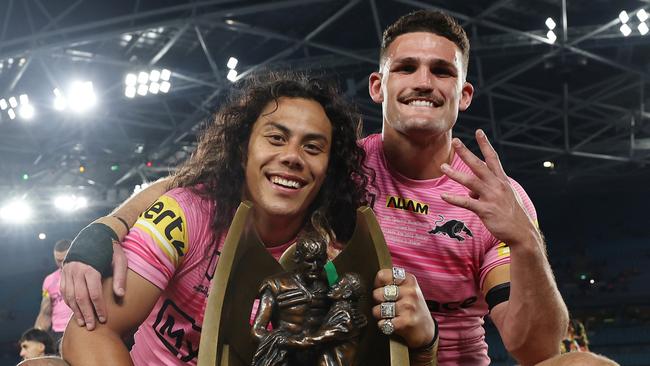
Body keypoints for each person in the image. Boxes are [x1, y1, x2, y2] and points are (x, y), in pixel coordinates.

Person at [61, 10, 619, 366]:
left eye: (441, 72)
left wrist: (525, 240)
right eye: (406, 67)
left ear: (464, 94)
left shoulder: (494, 199)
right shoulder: (338, 167)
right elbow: (200, 185)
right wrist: (107, 226)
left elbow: (535, 347)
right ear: (379, 85)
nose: (423, 81)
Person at [61, 72, 381, 365]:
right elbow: (88, 333)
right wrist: (111, 224)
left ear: (329, 168)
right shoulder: (186, 213)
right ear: (243, 149)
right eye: (276, 138)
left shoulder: (326, 262)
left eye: (312, 147)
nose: (292, 157)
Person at [251, 231, 331, 365]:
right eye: (310, 260)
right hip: (285, 357)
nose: (315, 266)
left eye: (320, 260)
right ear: (297, 258)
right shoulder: (276, 285)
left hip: (319, 358)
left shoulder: (330, 286)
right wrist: (284, 342)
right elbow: (257, 330)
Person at [34, 240, 74, 343]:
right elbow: (45, 313)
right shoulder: (49, 280)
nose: (61, 264)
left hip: (80, 329)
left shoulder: (85, 272)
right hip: (57, 334)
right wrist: (34, 339)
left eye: (64, 260)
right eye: (58, 260)